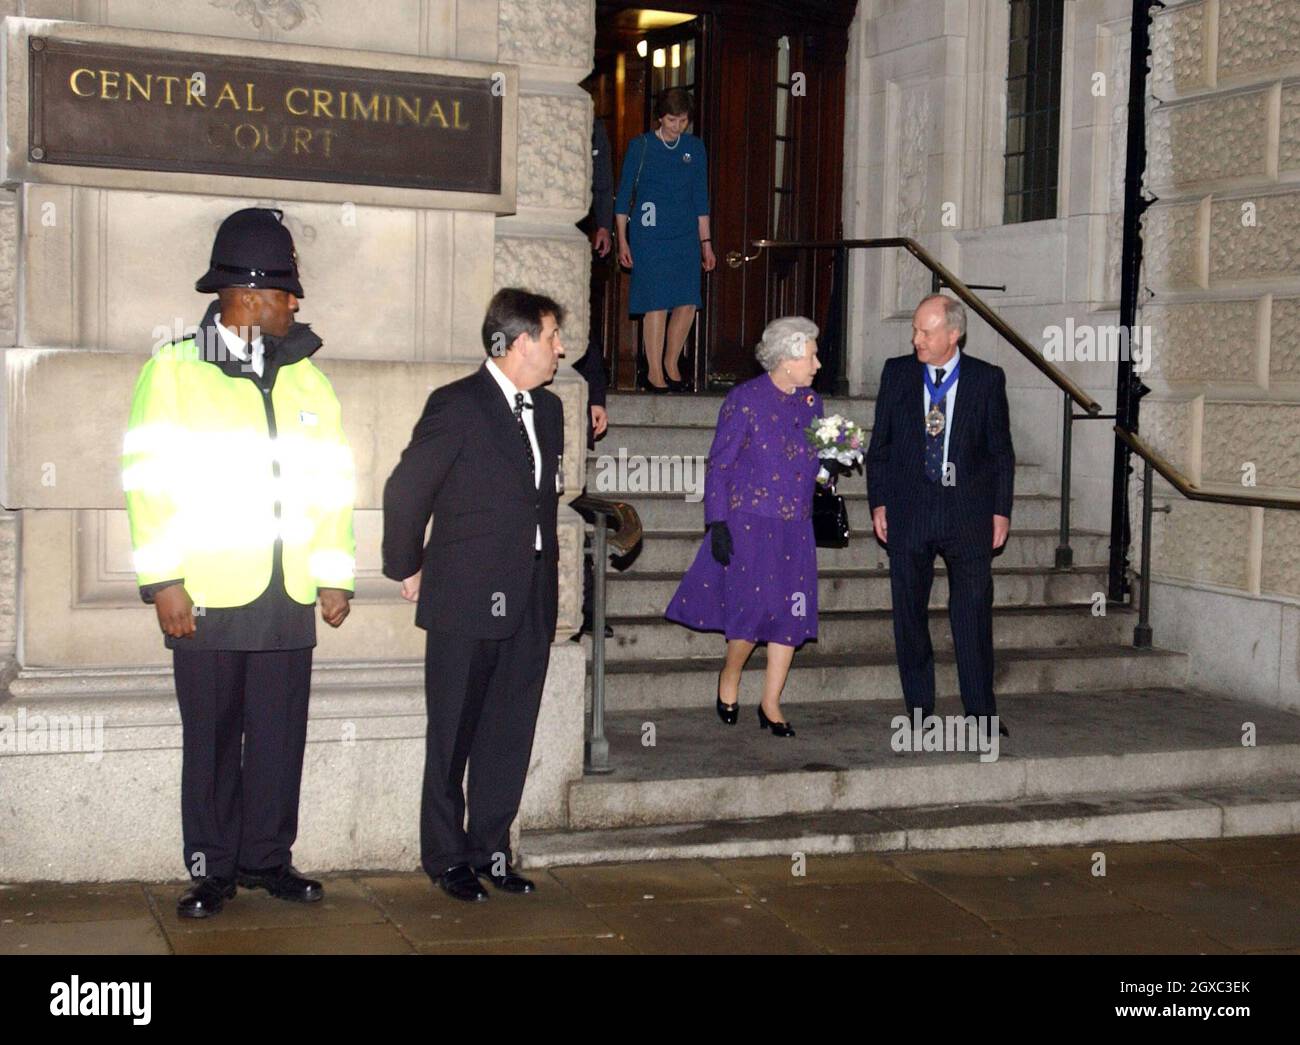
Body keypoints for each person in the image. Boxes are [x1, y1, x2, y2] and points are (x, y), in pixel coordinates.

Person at [122, 207, 355, 919]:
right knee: (215, 738)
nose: (295, 302)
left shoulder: (308, 379)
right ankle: (212, 867)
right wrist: (163, 581)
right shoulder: (173, 370)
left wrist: (334, 572)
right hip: (210, 595)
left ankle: (267, 857)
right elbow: (146, 482)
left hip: (287, 593)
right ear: (247, 295)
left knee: (281, 734)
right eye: (287, 291)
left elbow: (332, 486)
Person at [381, 287, 566, 903]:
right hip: (466, 596)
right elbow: (407, 491)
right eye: (552, 337)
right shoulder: (457, 405)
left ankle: (492, 848)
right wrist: (406, 565)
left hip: (531, 597)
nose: (561, 348)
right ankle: (446, 857)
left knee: (510, 729)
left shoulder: (551, 410)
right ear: (518, 344)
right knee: (454, 732)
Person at [665, 317, 823, 737]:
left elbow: (811, 458)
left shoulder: (812, 403)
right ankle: (730, 676)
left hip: (796, 523)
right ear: (788, 360)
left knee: (791, 612)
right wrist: (717, 521)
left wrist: (830, 463)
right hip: (751, 522)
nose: (817, 364)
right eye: (810, 356)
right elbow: (721, 464)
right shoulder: (745, 399)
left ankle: (771, 703)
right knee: (753, 613)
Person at [866, 294, 1015, 737]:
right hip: (910, 512)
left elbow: (1000, 453)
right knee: (909, 615)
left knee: (971, 616)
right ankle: (918, 709)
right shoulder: (897, 374)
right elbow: (881, 448)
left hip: (967, 516)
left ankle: (981, 715)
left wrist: (1000, 510)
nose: (916, 339)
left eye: (925, 332)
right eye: (914, 330)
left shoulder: (987, 380)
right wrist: (879, 502)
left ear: (954, 334)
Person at [614, 87, 715, 392]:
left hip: (684, 236)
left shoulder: (694, 149)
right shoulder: (640, 146)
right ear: (660, 117)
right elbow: (623, 199)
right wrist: (623, 241)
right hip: (650, 236)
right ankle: (654, 371)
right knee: (655, 302)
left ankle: (672, 362)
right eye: (672, 120)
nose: (677, 126)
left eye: (683, 121)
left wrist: (706, 244)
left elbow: (701, 199)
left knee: (687, 301)